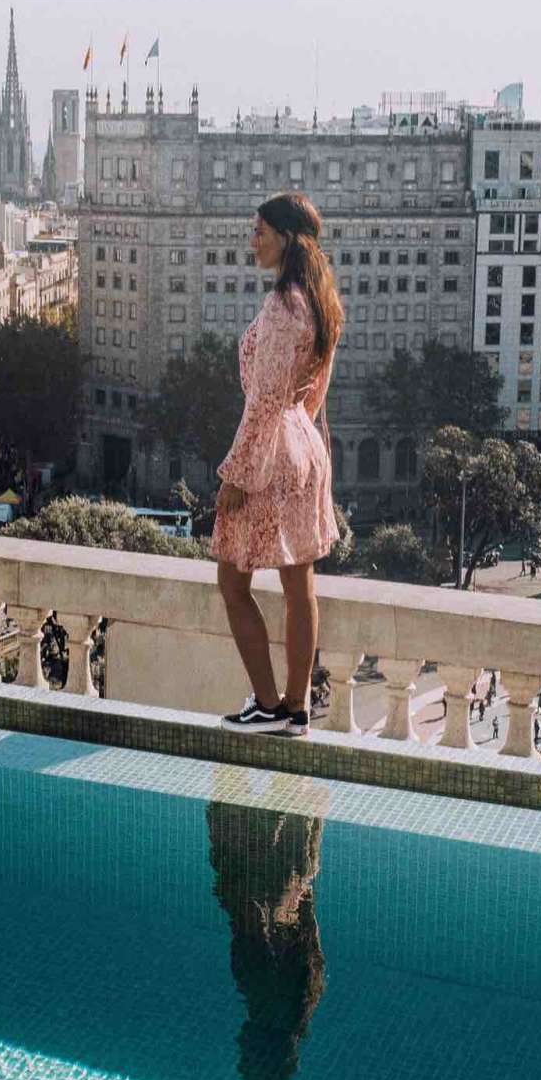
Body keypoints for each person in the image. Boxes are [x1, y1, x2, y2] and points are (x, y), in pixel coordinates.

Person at [213, 192, 344, 739]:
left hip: (272, 451)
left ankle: (270, 703)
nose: (253, 240)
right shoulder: (317, 301)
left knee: (232, 580)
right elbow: (311, 392)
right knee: (298, 583)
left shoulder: (282, 306)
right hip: (301, 444)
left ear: (287, 238)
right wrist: (296, 436)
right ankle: (296, 708)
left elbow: (265, 398)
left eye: (261, 230)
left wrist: (236, 475)